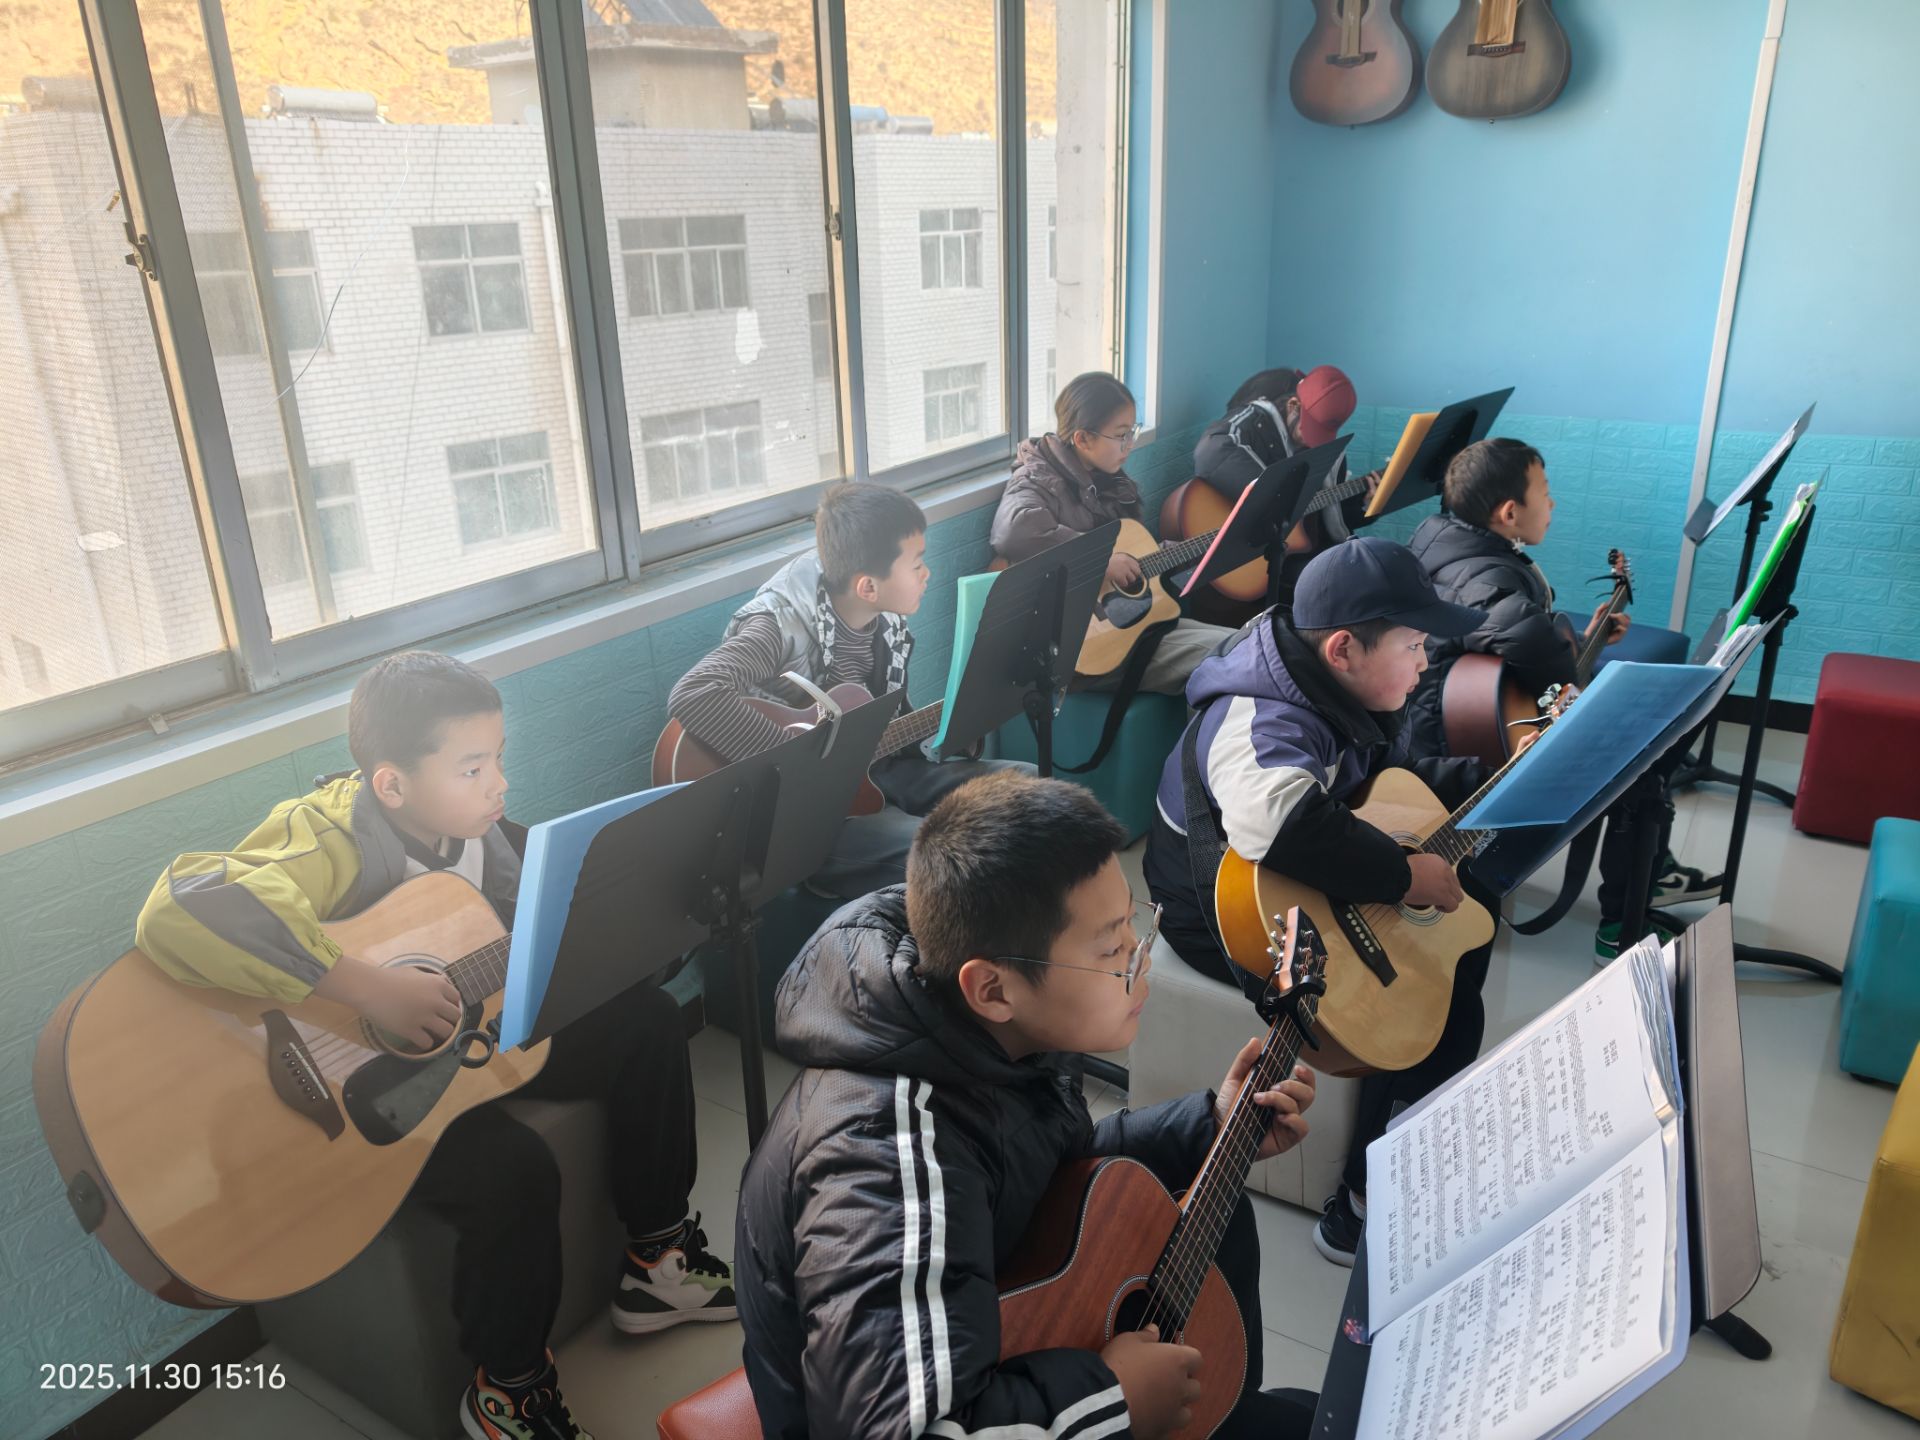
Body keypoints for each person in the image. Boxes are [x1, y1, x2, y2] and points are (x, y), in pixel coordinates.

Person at [136, 651, 729, 1440]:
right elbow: (180, 905)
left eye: (500, 760)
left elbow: (536, 942)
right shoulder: (326, 836)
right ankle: (508, 1393)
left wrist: (646, 928)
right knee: (513, 1170)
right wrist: (365, 987)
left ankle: (658, 1262)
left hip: (469, 1051)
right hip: (361, 1098)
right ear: (391, 785)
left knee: (647, 1022)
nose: (499, 785)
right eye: (473, 769)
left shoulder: (493, 838)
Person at [735, 771, 1321, 1439]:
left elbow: (1048, 1174)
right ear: (992, 989)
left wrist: (1207, 1125)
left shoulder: (999, 1033)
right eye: (1111, 947)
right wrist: (1110, 1402)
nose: (1140, 959)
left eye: (1133, 925)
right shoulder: (879, 1161)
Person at [1141, 538, 1497, 1267]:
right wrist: (1401, 878)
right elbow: (1280, 823)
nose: (1425, 661)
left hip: (1286, 878)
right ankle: (1362, 1206)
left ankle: (1408, 1116)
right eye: (1414, 645)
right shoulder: (1258, 713)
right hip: (1216, 908)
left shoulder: (1333, 687)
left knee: (1468, 918)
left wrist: (1481, 777)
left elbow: (1372, 784)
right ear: (1342, 649)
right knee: (1438, 1008)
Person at [1405, 438, 1721, 957]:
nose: (1553, 503)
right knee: (1639, 765)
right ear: (1510, 513)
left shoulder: (1442, 538)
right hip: (1450, 747)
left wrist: (1584, 638)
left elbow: (1516, 641)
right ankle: (1621, 925)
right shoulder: (1484, 573)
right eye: (1545, 492)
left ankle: (1651, 873)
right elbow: (1522, 635)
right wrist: (1568, 657)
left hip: (1446, 721)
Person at [668, 480, 1030, 900]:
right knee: (947, 851)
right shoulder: (779, 625)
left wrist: (958, 725)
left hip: (880, 772)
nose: (926, 573)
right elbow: (694, 693)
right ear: (868, 586)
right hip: (816, 817)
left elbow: (887, 725)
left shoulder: (886, 616)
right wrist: (802, 767)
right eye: (916, 564)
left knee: (1026, 789)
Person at [992, 371, 1235, 694]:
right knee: (1232, 660)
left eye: (1132, 432)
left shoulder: (1106, 479)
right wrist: (1101, 560)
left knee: (1247, 640)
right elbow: (1013, 532)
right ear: (1082, 439)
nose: (1129, 445)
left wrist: (1187, 554)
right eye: (1121, 435)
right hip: (1077, 650)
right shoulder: (1035, 479)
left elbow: (1132, 563)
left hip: (1128, 627)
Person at [1188, 365, 1377, 610]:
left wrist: (1365, 505)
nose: (1311, 440)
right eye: (1309, 429)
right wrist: (1273, 499)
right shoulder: (1253, 423)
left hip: (1296, 553)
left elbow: (1326, 518)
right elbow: (1210, 450)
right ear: (1293, 405)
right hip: (1259, 558)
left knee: (1366, 573)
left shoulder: (1327, 451)